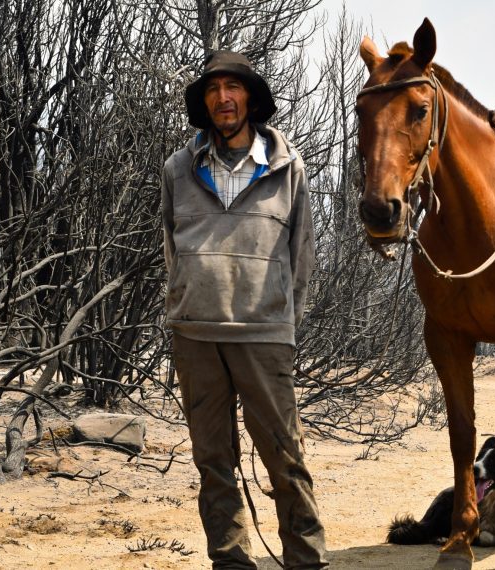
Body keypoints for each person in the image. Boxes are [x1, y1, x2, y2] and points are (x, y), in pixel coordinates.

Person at [159, 49, 326, 569]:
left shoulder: (287, 168)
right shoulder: (178, 170)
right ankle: (229, 560)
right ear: (204, 103)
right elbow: (171, 249)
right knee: (213, 461)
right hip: (195, 336)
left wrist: (282, 321)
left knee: (285, 456)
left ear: (250, 98)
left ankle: (306, 559)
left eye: (232, 88)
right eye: (212, 90)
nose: (223, 98)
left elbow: (302, 258)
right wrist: (185, 302)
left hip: (264, 333)